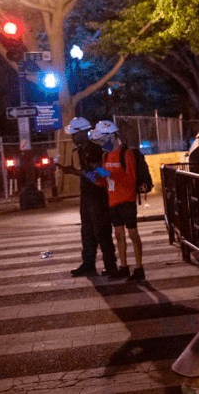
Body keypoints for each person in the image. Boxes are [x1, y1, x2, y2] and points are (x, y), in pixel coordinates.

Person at [89, 120, 146, 282]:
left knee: (133, 234)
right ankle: (123, 267)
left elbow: (131, 178)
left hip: (127, 199)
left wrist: (109, 173)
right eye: (99, 141)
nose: (101, 143)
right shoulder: (105, 155)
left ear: (112, 137)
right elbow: (105, 182)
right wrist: (96, 178)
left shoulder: (125, 153)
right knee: (119, 235)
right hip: (113, 200)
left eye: (103, 140)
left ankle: (139, 267)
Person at [61, 117, 118, 277]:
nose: (72, 138)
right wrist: (78, 171)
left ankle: (111, 266)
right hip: (87, 194)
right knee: (86, 230)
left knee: (101, 230)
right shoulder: (81, 149)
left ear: (84, 133)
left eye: (74, 134)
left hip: (99, 195)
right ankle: (88, 263)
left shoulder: (96, 148)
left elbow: (101, 173)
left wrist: (76, 172)